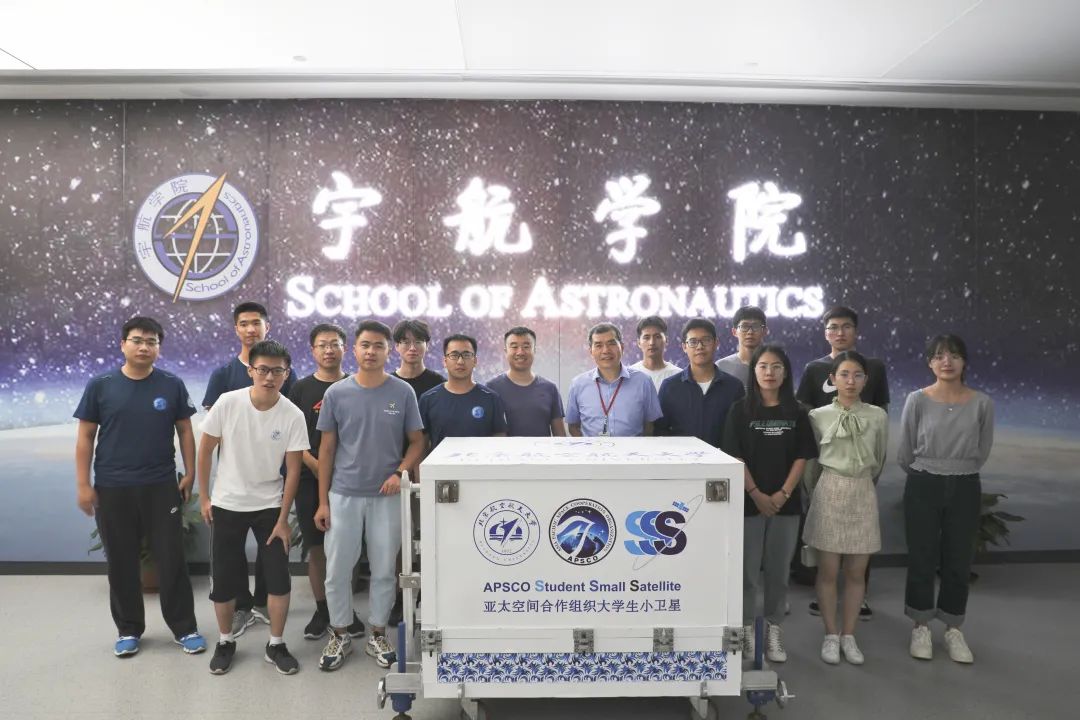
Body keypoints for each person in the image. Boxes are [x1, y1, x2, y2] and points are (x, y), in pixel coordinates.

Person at [74, 316, 206, 658]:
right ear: (123, 344)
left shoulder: (171, 384)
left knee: (172, 559)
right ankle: (128, 630)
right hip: (113, 487)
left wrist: (190, 473)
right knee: (121, 562)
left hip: (160, 486)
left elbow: (185, 430)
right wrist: (83, 484)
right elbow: (86, 436)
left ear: (158, 348)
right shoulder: (101, 385)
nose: (144, 346)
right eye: (137, 340)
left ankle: (184, 628)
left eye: (151, 341)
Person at [314, 320, 424, 671]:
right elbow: (326, 450)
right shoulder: (337, 394)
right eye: (365, 345)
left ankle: (378, 632)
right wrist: (323, 501)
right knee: (337, 569)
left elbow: (418, 441)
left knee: (383, 570)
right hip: (343, 494)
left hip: (387, 496)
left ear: (388, 351)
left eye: (378, 345)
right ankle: (339, 632)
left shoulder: (402, 392)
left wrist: (399, 472)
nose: (371, 351)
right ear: (354, 349)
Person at [197, 340, 308, 675]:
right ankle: (225, 641)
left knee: (278, 579)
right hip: (227, 504)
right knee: (223, 579)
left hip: (270, 507)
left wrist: (284, 518)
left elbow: (293, 471)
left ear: (286, 373)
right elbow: (205, 451)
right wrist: (205, 498)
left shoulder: (292, 414)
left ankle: (276, 644)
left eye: (277, 371)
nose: (269, 376)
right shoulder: (228, 403)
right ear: (251, 370)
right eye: (263, 369)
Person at [202, 301, 297, 636]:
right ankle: (239, 610)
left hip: (271, 486)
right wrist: (206, 495)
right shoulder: (224, 379)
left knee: (272, 559)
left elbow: (290, 425)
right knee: (229, 561)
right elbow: (211, 436)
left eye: (256, 322)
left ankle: (265, 610)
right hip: (232, 487)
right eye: (244, 323)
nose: (250, 328)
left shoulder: (284, 378)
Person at [898, 334, 993, 664]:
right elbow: (905, 451)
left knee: (959, 559)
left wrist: (957, 469)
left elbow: (982, 450)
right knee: (922, 556)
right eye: (939, 356)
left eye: (954, 355)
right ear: (930, 363)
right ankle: (920, 625)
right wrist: (929, 470)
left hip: (965, 484)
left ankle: (953, 627)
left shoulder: (982, 403)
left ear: (964, 362)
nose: (947, 362)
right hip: (923, 483)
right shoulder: (916, 400)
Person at [722, 344, 817, 664]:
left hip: (785, 506)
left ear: (785, 373)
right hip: (749, 504)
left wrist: (782, 495)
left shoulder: (798, 412)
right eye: (763, 366)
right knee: (747, 573)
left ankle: (774, 628)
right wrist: (756, 494)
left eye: (776, 367)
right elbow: (735, 456)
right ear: (754, 371)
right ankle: (747, 629)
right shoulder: (740, 410)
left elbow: (802, 456)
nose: (769, 372)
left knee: (778, 572)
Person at [796, 305, 890, 619]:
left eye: (846, 326)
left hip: (860, 469)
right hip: (828, 468)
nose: (840, 332)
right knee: (826, 542)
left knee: (860, 542)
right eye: (833, 327)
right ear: (825, 333)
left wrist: (869, 475)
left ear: (856, 331)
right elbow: (805, 418)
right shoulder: (814, 369)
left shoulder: (873, 367)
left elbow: (882, 417)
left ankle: (859, 598)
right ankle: (823, 595)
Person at [803, 351, 888, 666]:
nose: (851, 381)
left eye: (857, 375)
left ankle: (849, 635)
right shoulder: (818, 416)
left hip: (862, 491)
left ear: (866, 380)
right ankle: (830, 634)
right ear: (832, 379)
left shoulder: (878, 416)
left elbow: (880, 458)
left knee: (856, 572)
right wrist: (817, 491)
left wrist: (861, 481)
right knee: (827, 571)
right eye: (844, 374)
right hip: (829, 491)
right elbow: (810, 464)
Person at [286, 323, 366, 642]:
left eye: (335, 344)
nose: (329, 350)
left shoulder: (357, 385)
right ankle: (323, 610)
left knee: (347, 547)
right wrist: (316, 465)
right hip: (311, 478)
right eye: (322, 345)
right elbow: (293, 436)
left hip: (350, 479)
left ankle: (345, 609)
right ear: (313, 350)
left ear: (345, 349)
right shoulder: (300, 389)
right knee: (317, 548)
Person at [655, 318, 744, 446]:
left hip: (722, 458)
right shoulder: (670, 387)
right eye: (693, 342)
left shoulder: (734, 387)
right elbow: (660, 431)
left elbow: (741, 432)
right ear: (684, 347)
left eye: (706, 340)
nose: (700, 346)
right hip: (682, 457)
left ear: (716, 343)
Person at [566, 322, 662, 437]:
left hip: (632, 448)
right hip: (592, 449)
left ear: (622, 347)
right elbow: (573, 426)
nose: (606, 350)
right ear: (591, 351)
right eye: (598, 345)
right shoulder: (578, 384)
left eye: (611, 344)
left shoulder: (643, 382)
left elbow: (650, 425)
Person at [419, 334, 508, 451]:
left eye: (466, 355)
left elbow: (499, 436)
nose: (460, 361)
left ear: (475, 361)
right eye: (454, 355)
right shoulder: (427, 399)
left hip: (480, 462)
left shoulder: (491, 398)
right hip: (441, 463)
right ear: (444, 361)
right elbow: (421, 444)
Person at [486, 326, 567, 437]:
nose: (520, 352)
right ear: (505, 351)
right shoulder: (491, 388)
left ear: (534, 350)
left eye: (526, 346)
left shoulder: (550, 388)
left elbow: (560, 435)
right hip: (505, 449)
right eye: (514, 347)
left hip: (542, 449)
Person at [391, 319, 446, 398]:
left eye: (418, 342)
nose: (412, 348)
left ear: (427, 346)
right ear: (397, 346)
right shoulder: (388, 384)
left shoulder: (439, 384)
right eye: (406, 342)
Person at [715, 306, 768, 388]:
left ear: (765, 331)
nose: (750, 332)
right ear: (734, 332)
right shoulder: (721, 367)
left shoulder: (775, 366)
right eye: (744, 326)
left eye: (756, 326)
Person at [629, 316, 682, 392]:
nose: (652, 343)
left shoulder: (678, 376)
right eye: (646, 338)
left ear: (666, 340)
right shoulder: (629, 376)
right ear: (639, 343)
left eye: (657, 337)